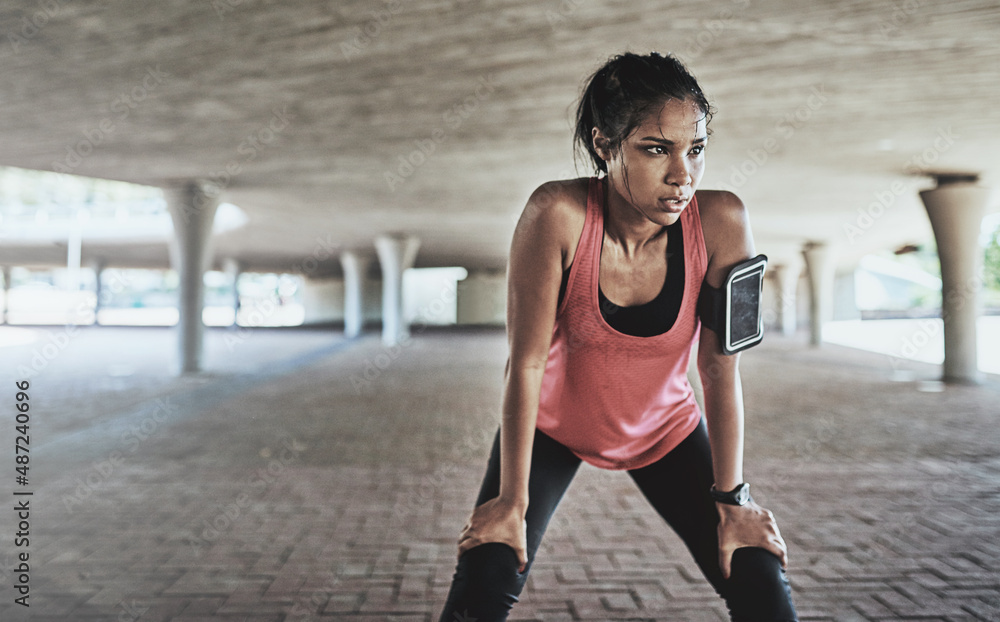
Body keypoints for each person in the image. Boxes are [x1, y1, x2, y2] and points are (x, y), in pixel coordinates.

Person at [436, 51, 798, 622]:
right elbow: (525, 364)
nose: (683, 174)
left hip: (667, 429)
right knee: (486, 572)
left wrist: (733, 501)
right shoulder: (556, 212)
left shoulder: (724, 220)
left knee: (757, 576)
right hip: (552, 427)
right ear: (605, 145)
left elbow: (719, 368)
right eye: (657, 149)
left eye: (696, 148)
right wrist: (510, 501)